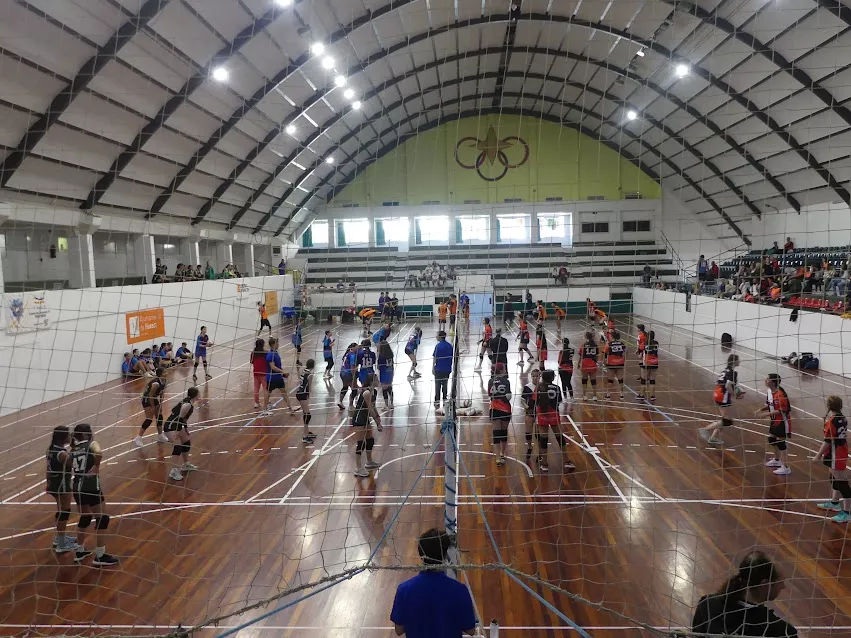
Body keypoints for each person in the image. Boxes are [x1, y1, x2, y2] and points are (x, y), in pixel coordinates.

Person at [391, 528, 477, 637]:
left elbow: (399, 630)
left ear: (421, 555)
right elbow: (470, 630)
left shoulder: (404, 590)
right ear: (445, 555)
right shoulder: (460, 590)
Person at [692, 550, 796, 637]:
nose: (783, 586)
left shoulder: (707, 606)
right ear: (765, 584)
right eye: (780, 582)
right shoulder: (782, 632)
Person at [70, 423, 119, 566]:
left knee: (85, 518)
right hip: (90, 485)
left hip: (77, 486)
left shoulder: (73, 449)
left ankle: (79, 551)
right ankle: (100, 555)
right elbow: (99, 453)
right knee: (103, 518)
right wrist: (96, 466)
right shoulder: (91, 444)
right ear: (86, 434)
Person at [814, 395, 851, 523]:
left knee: (842, 482)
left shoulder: (832, 421)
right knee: (833, 476)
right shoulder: (841, 418)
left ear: (829, 406)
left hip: (836, 453)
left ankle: (847, 513)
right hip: (839, 451)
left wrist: (817, 456)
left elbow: (828, 441)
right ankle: (835, 503)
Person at [700, 354, 744, 445]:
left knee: (724, 418)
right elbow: (728, 385)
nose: (740, 361)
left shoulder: (725, 370)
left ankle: (713, 438)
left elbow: (723, 383)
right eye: (738, 360)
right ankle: (705, 429)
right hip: (723, 396)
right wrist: (735, 394)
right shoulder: (733, 372)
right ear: (734, 361)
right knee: (727, 421)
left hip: (717, 393)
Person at [535, 370, 573, 472]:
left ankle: (544, 464)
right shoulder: (557, 388)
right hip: (553, 415)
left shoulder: (538, 388)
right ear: (552, 378)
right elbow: (559, 401)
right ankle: (567, 461)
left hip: (542, 415)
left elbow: (536, 402)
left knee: (543, 440)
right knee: (559, 438)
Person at [46, 425, 76, 553]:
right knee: (65, 511)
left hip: (53, 483)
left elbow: (48, 469)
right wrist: (75, 447)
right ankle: (61, 545)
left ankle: (59, 539)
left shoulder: (50, 449)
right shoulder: (62, 454)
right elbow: (74, 463)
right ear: (63, 438)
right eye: (68, 435)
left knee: (60, 510)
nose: (70, 436)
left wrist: (48, 482)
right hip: (62, 485)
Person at [756, 373, 792, 476]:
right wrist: (760, 409)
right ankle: (777, 460)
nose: (765, 380)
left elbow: (782, 410)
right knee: (771, 439)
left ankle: (786, 467)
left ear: (772, 382)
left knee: (781, 443)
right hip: (774, 421)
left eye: (767, 379)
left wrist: (766, 414)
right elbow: (769, 404)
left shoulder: (780, 394)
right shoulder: (770, 392)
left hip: (782, 422)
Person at [163, 387, 200, 482]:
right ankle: (173, 471)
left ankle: (186, 464)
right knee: (177, 447)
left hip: (177, 426)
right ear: (196, 395)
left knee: (186, 442)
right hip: (171, 426)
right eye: (198, 394)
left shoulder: (189, 402)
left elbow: (183, 419)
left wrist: (186, 429)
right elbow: (179, 418)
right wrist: (176, 432)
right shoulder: (187, 405)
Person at [351, 372, 383, 477]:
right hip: (359, 418)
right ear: (372, 381)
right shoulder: (367, 393)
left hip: (365, 418)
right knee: (361, 443)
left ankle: (369, 462)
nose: (378, 381)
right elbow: (370, 409)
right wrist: (377, 422)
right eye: (377, 379)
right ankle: (358, 468)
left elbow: (374, 407)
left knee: (370, 440)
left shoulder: (373, 392)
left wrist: (378, 419)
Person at [134, 367, 169, 447]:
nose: (166, 373)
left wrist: (161, 403)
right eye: (164, 372)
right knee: (149, 419)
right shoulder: (155, 383)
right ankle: (138, 438)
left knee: (159, 416)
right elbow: (150, 395)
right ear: (160, 375)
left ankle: (160, 435)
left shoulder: (165, 381)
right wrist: (153, 407)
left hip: (153, 398)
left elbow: (162, 393)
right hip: (147, 399)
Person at [488, 362, 512, 467]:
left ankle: (498, 458)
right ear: (502, 370)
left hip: (494, 408)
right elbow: (508, 396)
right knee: (503, 432)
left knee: (496, 433)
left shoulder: (490, 381)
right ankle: (502, 453)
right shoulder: (506, 381)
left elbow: (490, 394)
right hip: (505, 409)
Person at [264, 337, 296, 414]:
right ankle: (265, 410)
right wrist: (283, 372)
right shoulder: (270, 355)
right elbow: (273, 367)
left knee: (284, 392)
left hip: (278, 377)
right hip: (271, 378)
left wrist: (282, 373)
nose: (278, 344)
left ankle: (290, 408)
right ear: (272, 344)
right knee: (268, 393)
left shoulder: (275, 352)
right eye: (276, 343)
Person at [295, 359, 317, 444]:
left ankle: (307, 431)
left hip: (299, 392)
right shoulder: (310, 374)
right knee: (308, 415)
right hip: (303, 394)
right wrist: (308, 397)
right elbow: (309, 387)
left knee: (306, 413)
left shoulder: (303, 370)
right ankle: (305, 436)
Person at [522, 368, 541, 463]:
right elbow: (522, 399)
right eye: (533, 376)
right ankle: (530, 447)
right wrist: (526, 407)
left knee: (539, 434)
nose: (535, 378)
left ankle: (540, 452)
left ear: (540, 376)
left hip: (540, 413)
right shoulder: (527, 387)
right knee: (528, 432)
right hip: (530, 412)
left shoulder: (542, 387)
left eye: (537, 376)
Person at [433, 331, 453, 408]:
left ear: (440, 337)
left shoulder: (438, 346)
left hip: (439, 369)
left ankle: (437, 401)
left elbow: (435, 358)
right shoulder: (450, 346)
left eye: (437, 335)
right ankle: (445, 399)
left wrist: (433, 367)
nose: (436, 337)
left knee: (437, 385)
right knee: (445, 384)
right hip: (447, 368)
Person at [603, 331, 626, 400]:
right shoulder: (622, 344)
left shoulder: (609, 344)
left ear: (612, 336)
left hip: (611, 363)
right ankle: (622, 394)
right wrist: (623, 360)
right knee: (620, 379)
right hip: (620, 363)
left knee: (610, 379)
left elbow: (604, 353)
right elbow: (625, 353)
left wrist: (604, 361)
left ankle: (608, 395)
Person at [578, 331, 599, 401]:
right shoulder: (595, 345)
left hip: (585, 364)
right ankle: (595, 396)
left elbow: (581, 356)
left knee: (584, 380)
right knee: (593, 380)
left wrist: (578, 364)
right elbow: (597, 356)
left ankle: (584, 395)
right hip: (593, 364)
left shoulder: (583, 345)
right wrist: (595, 362)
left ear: (586, 337)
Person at [640, 331, 659, 403]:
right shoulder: (656, 343)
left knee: (643, 380)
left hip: (646, 363)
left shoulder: (644, 343)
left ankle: (641, 395)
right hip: (655, 362)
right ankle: (652, 396)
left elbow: (640, 354)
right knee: (652, 380)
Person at [338, 342, 359, 409]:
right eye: (357, 347)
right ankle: (351, 405)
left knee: (345, 387)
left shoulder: (347, 353)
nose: (358, 348)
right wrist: (354, 376)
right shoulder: (353, 355)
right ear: (353, 348)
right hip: (348, 373)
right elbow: (352, 367)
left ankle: (340, 401)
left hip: (342, 372)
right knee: (354, 389)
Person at [250, 339, 267, 409]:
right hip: (264, 372)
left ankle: (256, 403)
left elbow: (251, 361)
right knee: (265, 388)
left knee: (256, 389)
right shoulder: (265, 352)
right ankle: (267, 402)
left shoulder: (253, 353)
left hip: (256, 372)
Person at [378, 340, 395, 408]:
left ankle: (386, 405)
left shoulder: (381, 356)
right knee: (390, 388)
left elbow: (379, 366)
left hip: (384, 373)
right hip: (390, 372)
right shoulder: (391, 354)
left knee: (384, 389)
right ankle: (392, 404)